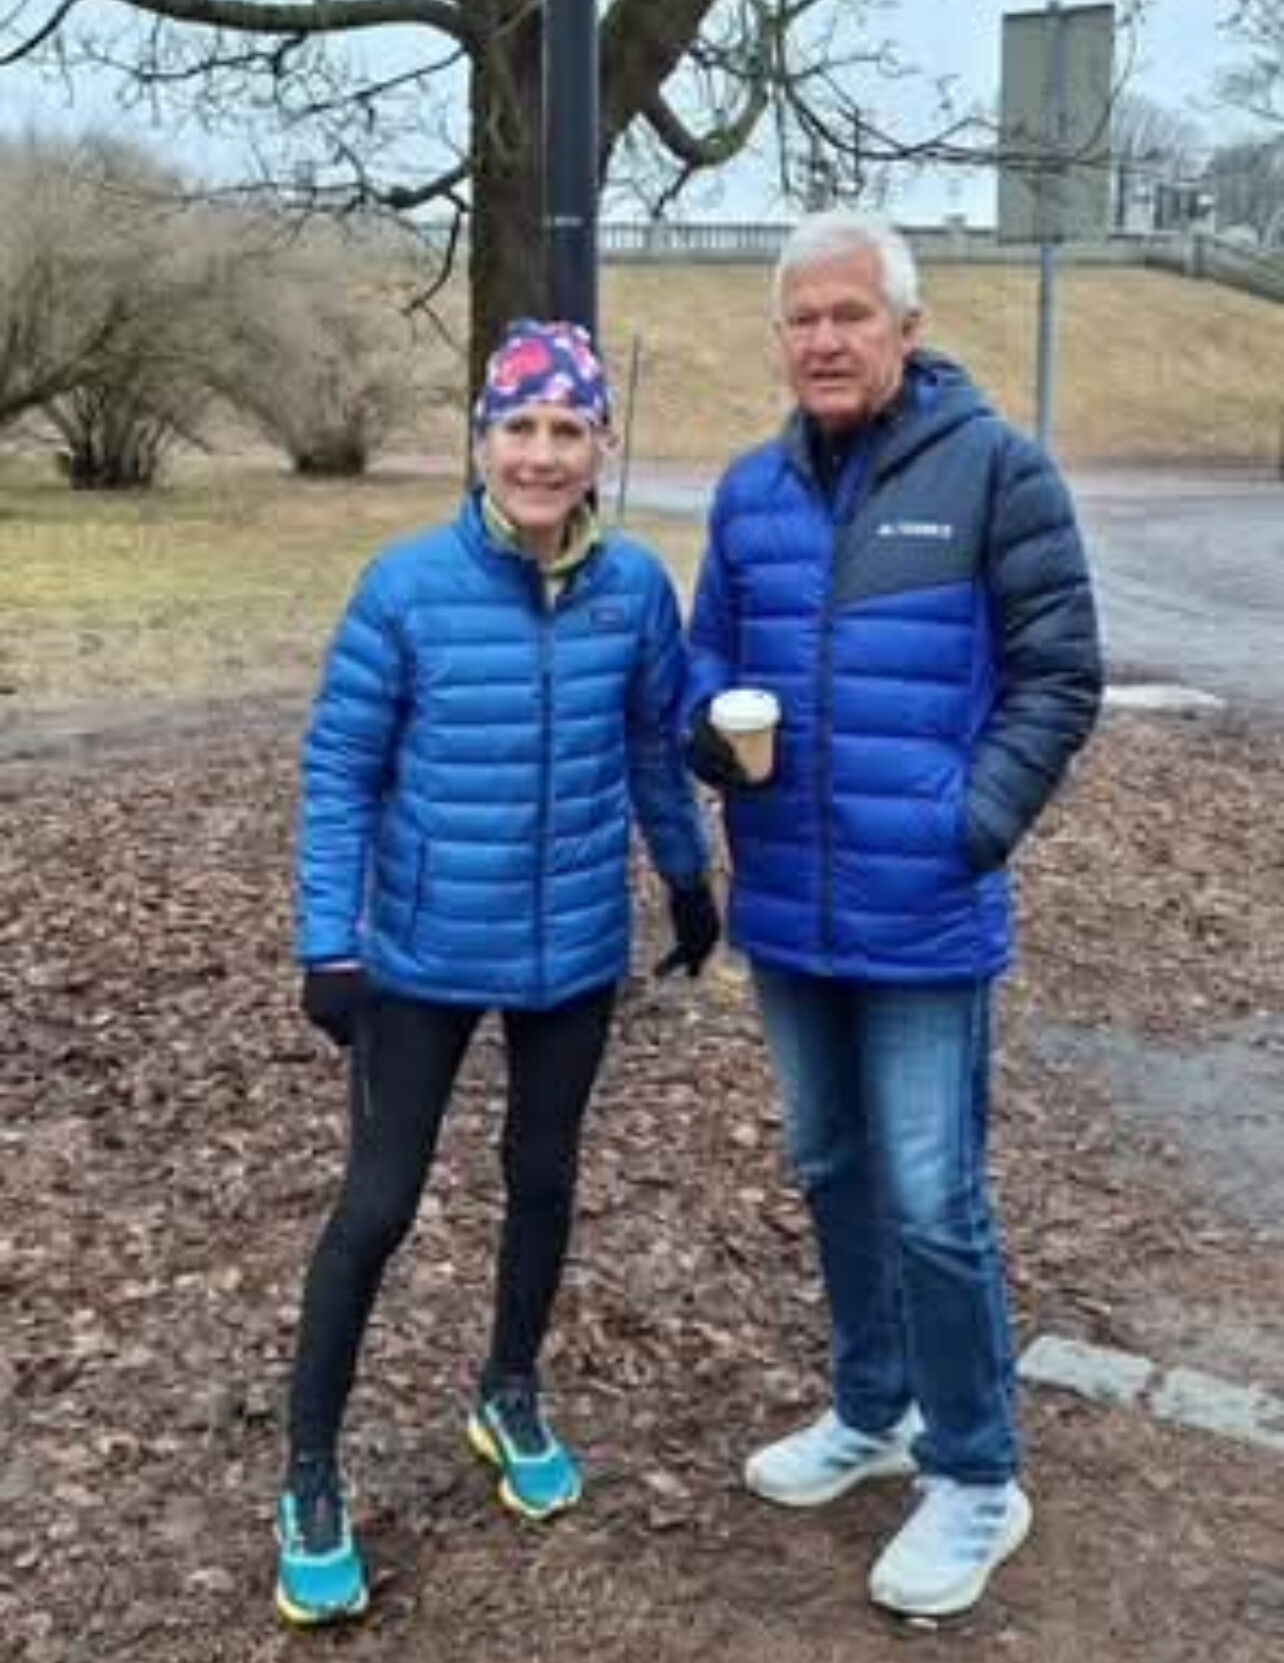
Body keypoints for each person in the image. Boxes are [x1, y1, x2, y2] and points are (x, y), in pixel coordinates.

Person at [683, 209, 1103, 1621]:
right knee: (830, 1168)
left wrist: (965, 828)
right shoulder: (750, 494)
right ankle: (873, 1409)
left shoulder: (997, 473)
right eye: (802, 318)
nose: (824, 339)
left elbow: (1061, 675)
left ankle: (977, 1470)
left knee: (934, 1200)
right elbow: (705, 660)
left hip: (925, 913)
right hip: (790, 908)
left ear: (908, 330)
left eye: (850, 314)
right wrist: (707, 732)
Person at [275, 319, 720, 1627]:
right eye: (518, 427)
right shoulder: (406, 589)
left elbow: (653, 747)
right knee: (377, 1207)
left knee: (543, 1178)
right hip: (420, 958)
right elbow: (338, 773)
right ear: (482, 442)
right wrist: (329, 943)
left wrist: (687, 876)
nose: (541, 454)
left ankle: (508, 1391)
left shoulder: (634, 590)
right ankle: (309, 1474)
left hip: (572, 951)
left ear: (600, 446)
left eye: (566, 430)